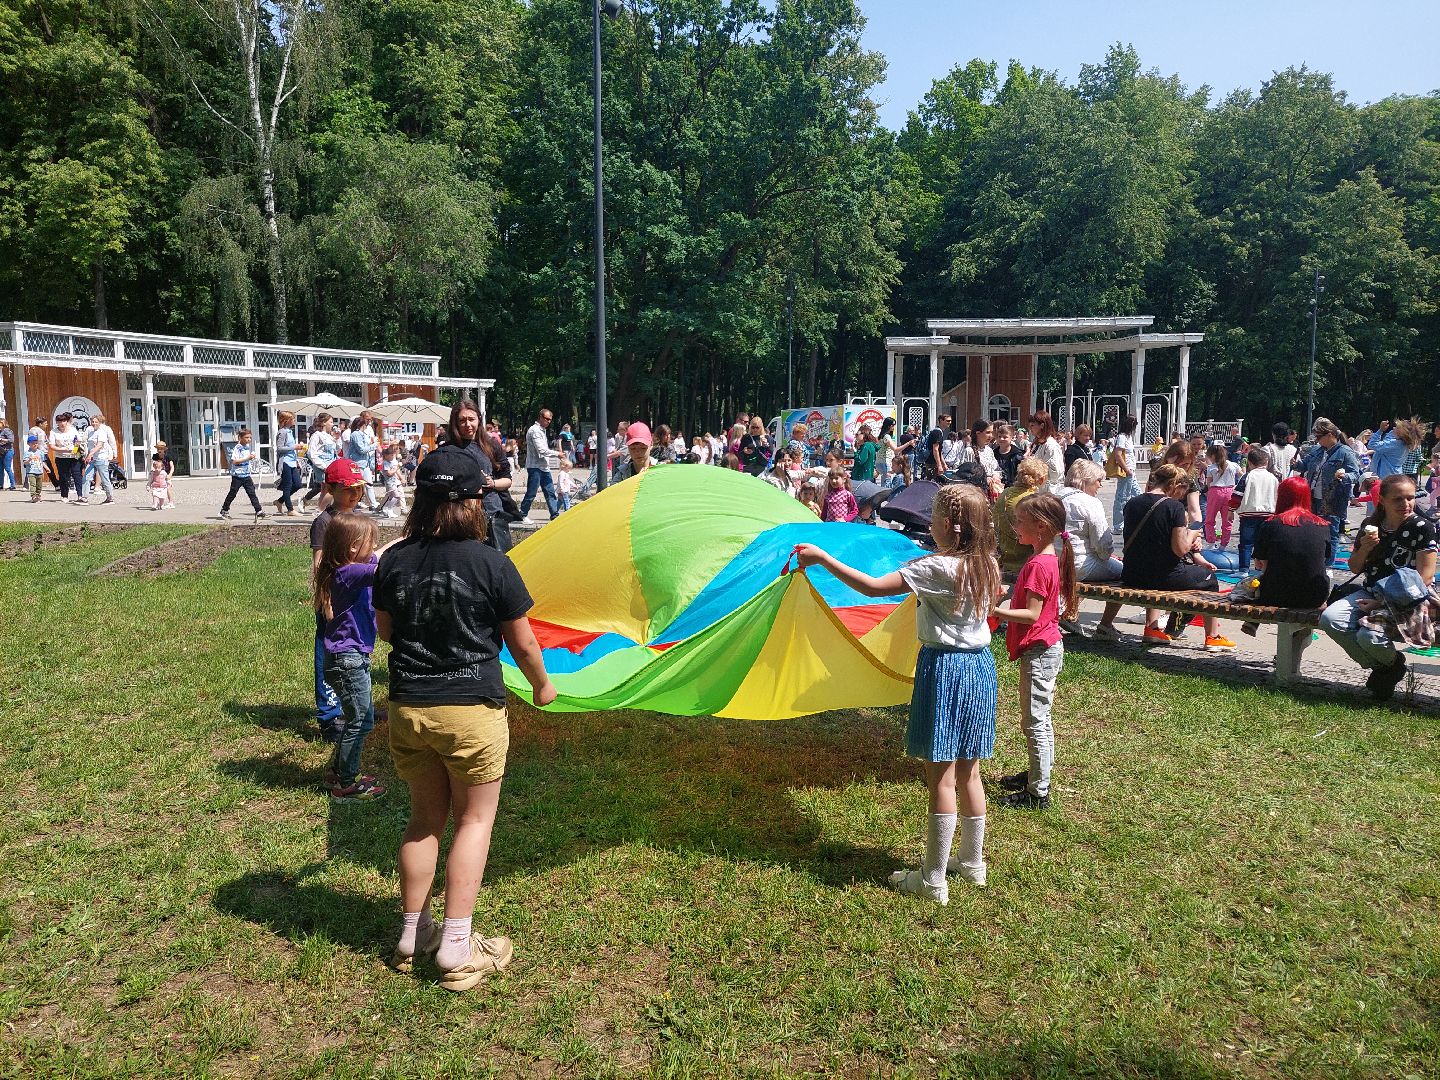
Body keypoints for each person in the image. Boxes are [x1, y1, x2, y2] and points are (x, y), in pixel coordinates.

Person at [373, 445, 556, 989]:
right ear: (478, 502)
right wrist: (543, 686)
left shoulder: (395, 560)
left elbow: (385, 631)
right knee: (473, 822)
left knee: (424, 820)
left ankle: (414, 933)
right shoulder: (493, 563)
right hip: (472, 711)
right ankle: (456, 945)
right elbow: (522, 645)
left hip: (408, 710)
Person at [794, 484, 1000, 902]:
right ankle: (973, 863)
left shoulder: (936, 569)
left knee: (939, 776)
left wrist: (822, 558)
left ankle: (932, 879)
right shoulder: (988, 565)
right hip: (980, 668)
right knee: (969, 772)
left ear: (947, 526)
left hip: (944, 670)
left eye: (932, 518)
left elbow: (871, 588)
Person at [1319, 473, 1437, 700]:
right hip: (1371, 590)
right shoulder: (1370, 525)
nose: (1406, 504)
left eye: (1410, 498)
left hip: (1410, 598)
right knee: (1330, 619)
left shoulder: (1422, 527)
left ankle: (1384, 672)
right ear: (1381, 499)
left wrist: (1381, 603)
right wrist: (1364, 548)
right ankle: (1390, 666)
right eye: (1398, 499)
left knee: (1368, 636)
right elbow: (1354, 567)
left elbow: (1425, 579)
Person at [993, 492, 1075, 810]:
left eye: (1021, 521)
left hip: (1039, 651)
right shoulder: (1045, 558)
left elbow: (1031, 614)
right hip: (1044, 648)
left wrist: (996, 609)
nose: (1015, 526)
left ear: (1040, 527)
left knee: (1035, 721)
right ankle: (1036, 775)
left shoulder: (1040, 564)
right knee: (1040, 718)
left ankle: (1037, 792)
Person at [1121, 463, 1235, 650]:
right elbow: (1180, 550)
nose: (1183, 495)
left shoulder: (1132, 503)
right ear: (1175, 485)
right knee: (1209, 579)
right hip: (1164, 576)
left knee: (1158, 575)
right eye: (1183, 490)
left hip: (1132, 574)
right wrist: (1192, 535)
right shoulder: (1173, 507)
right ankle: (1213, 636)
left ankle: (1152, 628)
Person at [314, 512, 387, 802]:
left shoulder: (349, 566)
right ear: (353, 547)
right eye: (371, 541)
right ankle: (346, 783)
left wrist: (408, 537)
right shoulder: (347, 573)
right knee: (360, 721)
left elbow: (380, 556)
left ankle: (339, 771)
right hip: (348, 660)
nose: (375, 546)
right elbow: (384, 568)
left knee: (361, 717)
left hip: (350, 658)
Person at [310, 459, 368, 741]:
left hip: (353, 600)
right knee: (328, 653)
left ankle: (353, 705)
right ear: (330, 488)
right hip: (333, 600)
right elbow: (319, 565)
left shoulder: (356, 520)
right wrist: (325, 600)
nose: (354, 495)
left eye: (358, 488)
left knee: (351, 653)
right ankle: (329, 715)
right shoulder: (324, 522)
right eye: (348, 490)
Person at [1054, 459, 1123, 638]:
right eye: (1098, 481)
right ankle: (1106, 625)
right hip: (1081, 564)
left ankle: (1070, 612)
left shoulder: (1053, 496)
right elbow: (1103, 545)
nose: (1100, 486)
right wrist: (1108, 556)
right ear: (1086, 480)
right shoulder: (1089, 502)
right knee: (1127, 573)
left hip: (1054, 561)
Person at [1252, 477, 1333, 609]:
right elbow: (1323, 558)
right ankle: (1302, 630)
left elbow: (1260, 564)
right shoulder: (1322, 525)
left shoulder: (1270, 524)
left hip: (1275, 594)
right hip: (1314, 596)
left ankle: (1252, 623)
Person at [1298, 418, 1361, 548]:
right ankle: (1316, 557)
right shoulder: (1317, 450)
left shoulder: (1345, 451)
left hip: (1333, 498)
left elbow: (1356, 474)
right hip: (1313, 496)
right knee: (1313, 529)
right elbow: (1304, 466)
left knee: (1330, 533)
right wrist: (1296, 464)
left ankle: (1328, 564)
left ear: (1330, 435)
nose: (1317, 440)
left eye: (1318, 437)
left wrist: (1344, 476)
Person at [994, 457, 1048, 573]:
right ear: (1042, 479)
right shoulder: (1034, 500)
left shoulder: (1004, 493)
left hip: (1005, 561)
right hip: (1026, 565)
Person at [1236, 448, 1279, 571]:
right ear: (1266, 462)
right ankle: (1263, 568)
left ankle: (1243, 569)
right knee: (1265, 543)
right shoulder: (1273, 478)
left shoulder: (1248, 476)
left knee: (1246, 543)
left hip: (1249, 514)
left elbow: (1237, 495)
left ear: (1249, 463)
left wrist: (1231, 509)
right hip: (1268, 514)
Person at [517, 408, 559, 522]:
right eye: (546, 419)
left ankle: (554, 515)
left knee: (550, 492)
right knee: (532, 492)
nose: (549, 421)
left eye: (550, 419)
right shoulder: (534, 430)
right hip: (535, 467)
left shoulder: (542, 430)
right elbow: (541, 450)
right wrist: (557, 454)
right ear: (540, 417)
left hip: (544, 467)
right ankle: (523, 514)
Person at [219, 429, 266, 520]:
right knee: (233, 493)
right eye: (246, 437)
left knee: (252, 493)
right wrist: (247, 458)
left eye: (250, 437)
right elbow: (234, 461)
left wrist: (250, 458)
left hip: (246, 475)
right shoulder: (238, 448)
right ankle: (224, 510)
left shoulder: (246, 447)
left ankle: (258, 510)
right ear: (240, 438)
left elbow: (245, 459)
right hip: (237, 475)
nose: (249, 439)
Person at [1202, 445, 1241, 548]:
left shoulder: (1211, 468)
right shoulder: (1234, 465)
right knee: (1227, 520)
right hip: (1230, 492)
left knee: (1210, 519)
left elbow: (1209, 484)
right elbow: (1242, 476)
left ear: (1213, 456)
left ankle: (1211, 543)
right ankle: (1224, 545)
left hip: (1215, 492)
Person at [300, 412, 339, 513]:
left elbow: (337, 451)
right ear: (324, 423)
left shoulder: (329, 436)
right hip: (323, 466)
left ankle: (322, 511)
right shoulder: (317, 435)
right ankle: (321, 510)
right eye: (331, 422)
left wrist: (337, 438)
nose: (333, 424)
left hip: (331, 465)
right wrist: (323, 466)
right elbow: (311, 453)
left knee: (325, 490)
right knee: (332, 489)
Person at [1109, 414, 1140, 531]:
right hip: (1126, 471)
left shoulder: (1128, 437)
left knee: (1138, 495)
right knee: (1122, 498)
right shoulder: (1122, 437)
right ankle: (1118, 525)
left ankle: (1135, 520)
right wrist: (1127, 469)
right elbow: (1118, 454)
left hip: (1131, 471)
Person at [80, 411, 118, 504]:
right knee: (86, 477)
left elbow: (99, 445)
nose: (94, 423)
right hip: (92, 459)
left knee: (105, 479)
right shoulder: (90, 431)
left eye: (96, 422)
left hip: (101, 458)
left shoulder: (102, 432)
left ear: (100, 422)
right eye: (92, 421)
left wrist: (114, 452)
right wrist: (86, 453)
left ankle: (110, 498)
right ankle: (84, 498)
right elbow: (85, 442)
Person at [271, 410, 302, 516]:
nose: (294, 420)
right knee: (287, 485)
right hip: (285, 462)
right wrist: (294, 447)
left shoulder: (289, 431)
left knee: (297, 484)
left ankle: (279, 501)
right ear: (286, 420)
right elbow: (279, 448)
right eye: (292, 419)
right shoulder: (282, 432)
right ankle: (290, 509)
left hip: (292, 461)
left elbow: (289, 448)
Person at [48, 412, 83, 503]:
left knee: (77, 475)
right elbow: (51, 446)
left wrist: (74, 450)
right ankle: (64, 495)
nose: (62, 423)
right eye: (60, 422)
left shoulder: (72, 429)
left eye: (64, 421)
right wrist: (62, 450)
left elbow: (78, 441)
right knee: (63, 476)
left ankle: (80, 495)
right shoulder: (53, 432)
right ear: (57, 423)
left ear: (67, 421)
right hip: (61, 457)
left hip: (74, 456)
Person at [1027, 410, 1064, 491]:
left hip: (1049, 491)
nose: (1030, 428)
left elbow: (1055, 473)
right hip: (1039, 489)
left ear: (1042, 425)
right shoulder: (1038, 444)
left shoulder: (1051, 446)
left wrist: (1033, 468)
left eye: (1032, 425)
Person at [377, 445, 407, 518]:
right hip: (390, 483)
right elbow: (389, 473)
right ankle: (388, 509)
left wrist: (400, 477)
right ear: (386, 456)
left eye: (393, 455)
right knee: (396, 496)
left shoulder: (390, 462)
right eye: (391, 455)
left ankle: (387, 509)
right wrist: (397, 468)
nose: (392, 457)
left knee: (392, 497)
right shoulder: (386, 463)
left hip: (393, 481)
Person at [991, 422, 1023, 487]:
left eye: (1005, 437)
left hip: (1013, 488)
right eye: (999, 436)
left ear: (1012, 437)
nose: (1001, 439)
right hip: (997, 488)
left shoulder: (1018, 455)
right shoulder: (993, 454)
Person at [922, 414, 952, 480]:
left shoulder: (939, 432)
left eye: (950, 421)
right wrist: (939, 466)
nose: (950, 422)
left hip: (934, 462)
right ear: (941, 420)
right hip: (932, 463)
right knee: (932, 484)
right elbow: (935, 450)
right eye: (948, 421)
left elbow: (939, 451)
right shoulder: (937, 432)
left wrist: (944, 464)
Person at [22, 434, 45, 502]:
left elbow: (42, 461)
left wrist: (46, 468)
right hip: (31, 471)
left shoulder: (40, 452)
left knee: (39, 485)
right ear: (29, 444)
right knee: (33, 484)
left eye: (36, 443)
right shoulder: (27, 453)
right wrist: (29, 459)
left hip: (39, 471)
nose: (35, 445)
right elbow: (25, 463)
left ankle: (38, 495)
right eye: (33, 443)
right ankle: (33, 496)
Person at [0, 416, 15, 491]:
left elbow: (11, 440)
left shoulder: (7, 430)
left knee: (7, 468)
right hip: (1, 451)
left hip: (8, 451)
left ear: (3, 423)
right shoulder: (0, 431)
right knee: (0, 468)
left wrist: (1, 439)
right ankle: (1, 485)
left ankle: (12, 485)